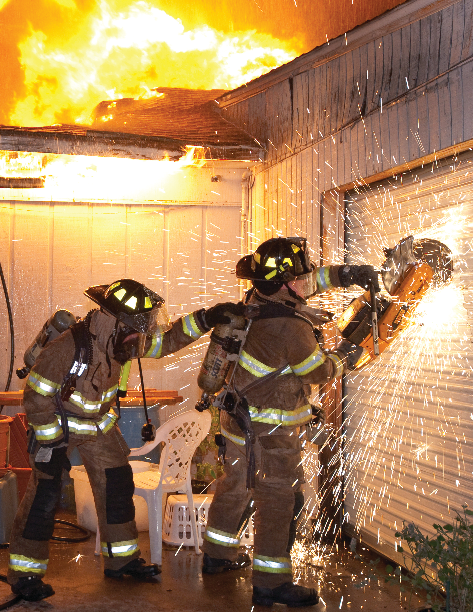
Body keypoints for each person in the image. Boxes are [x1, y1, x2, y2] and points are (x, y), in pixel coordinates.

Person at [8, 278, 241, 602]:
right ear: (118, 321)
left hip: (99, 429)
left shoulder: (122, 340)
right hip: (58, 428)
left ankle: (122, 560)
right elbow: (35, 394)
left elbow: (167, 340)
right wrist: (50, 440)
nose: (144, 335)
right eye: (140, 325)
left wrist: (207, 317)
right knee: (44, 497)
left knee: (117, 486)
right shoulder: (67, 346)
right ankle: (25, 575)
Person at [201, 237, 379, 608]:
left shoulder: (257, 300)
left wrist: (349, 274)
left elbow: (309, 282)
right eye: (301, 276)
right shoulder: (290, 327)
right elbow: (317, 372)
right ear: (285, 283)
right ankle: (271, 583)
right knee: (281, 500)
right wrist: (346, 355)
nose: (308, 281)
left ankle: (216, 556)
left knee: (235, 487)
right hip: (271, 433)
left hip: (236, 419)